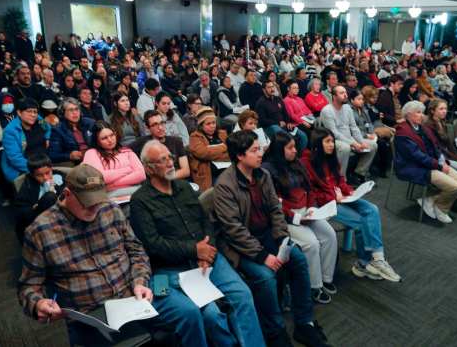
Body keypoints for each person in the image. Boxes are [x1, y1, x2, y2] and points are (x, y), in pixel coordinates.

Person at [129, 140, 265, 347]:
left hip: (206, 258)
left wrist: (207, 249)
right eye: (162, 160)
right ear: (149, 168)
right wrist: (195, 250)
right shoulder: (140, 200)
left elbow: (205, 221)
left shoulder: (184, 187)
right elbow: (153, 244)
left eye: (170, 157)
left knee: (242, 295)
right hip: (169, 269)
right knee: (208, 313)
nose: (170, 163)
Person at [213, 130, 331, 347]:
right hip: (242, 247)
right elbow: (234, 230)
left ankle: (304, 323)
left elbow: (276, 211)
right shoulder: (224, 185)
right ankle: (275, 331)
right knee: (266, 277)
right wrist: (262, 256)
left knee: (298, 260)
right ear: (240, 155)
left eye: (260, 149)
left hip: (267, 236)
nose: (260, 154)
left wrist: (281, 241)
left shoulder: (262, 175)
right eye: (254, 150)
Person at [17, 164, 153, 346]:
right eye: (87, 202)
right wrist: (38, 304)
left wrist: (140, 281)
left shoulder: (109, 209)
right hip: (89, 315)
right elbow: (28, 286)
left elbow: (136, 250)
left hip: (131, 300)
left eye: (98, 200)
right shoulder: (40, 231)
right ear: (67, 193)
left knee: (174, 329)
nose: (94, 208)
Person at [301, 128, 401, 282]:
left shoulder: (331, 158)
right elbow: (311, 192)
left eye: (332, 141)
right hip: (325, 204)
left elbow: (340, 179)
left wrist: (350, 192)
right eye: (327, 142)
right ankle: (363, 263)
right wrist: (334, 197)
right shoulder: (307, 163)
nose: (331, 145)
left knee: (372, 209)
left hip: (340, 197)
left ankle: (377, 258)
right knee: (362, 222)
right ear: (317, 144)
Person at [262, 132, 338, 304]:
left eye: (295, 146)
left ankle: (326, 278)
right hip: (288, 217)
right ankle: (314, 286)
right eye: (290, 148)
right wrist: (297, 218)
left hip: (307, 211)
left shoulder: (296, 163)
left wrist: (311, 208)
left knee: (329, 235)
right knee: (311, 243)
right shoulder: (268, 170)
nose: (295, 151)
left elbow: (309, 189)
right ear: (279, 150)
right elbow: (275, 204)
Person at [394, 101, 457, 223]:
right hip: (415, 167)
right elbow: (417, 157)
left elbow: (436, 147)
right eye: (418, 113)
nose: (422, 115)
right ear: (408, 115)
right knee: (454, 187)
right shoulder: (403, 132)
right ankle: (441, 208)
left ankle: (430, 200)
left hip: (432, 163)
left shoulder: (422, 128)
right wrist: (438, 165)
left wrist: (442, 161)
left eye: (422, 112)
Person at [320, 85, 378, 182]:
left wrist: (360, 141)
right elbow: (334, 133)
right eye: (342, 93)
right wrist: (353, 143)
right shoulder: (327, 111)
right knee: (345, 148)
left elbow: (354, 127)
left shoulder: (347, 108)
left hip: (349, 138)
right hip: (334, 140)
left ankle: (359, 173)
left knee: (372, 145)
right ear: (334, 96)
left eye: (345, 93)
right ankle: (341, 179)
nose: (345, 95)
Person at [82, 121, 145, 196]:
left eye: (112, 135)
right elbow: (99, 178)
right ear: (97, 141)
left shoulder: (126, 151)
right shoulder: (92, 153)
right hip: (110, 196)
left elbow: (141, 175)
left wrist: (112, 184)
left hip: (135, 191)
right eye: (104, 138)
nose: (110, 140)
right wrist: (127, 169)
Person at [13, 153, 64, 241]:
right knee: (50, 196)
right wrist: (35, 207)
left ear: (52, 169)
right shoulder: (28, 186)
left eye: (48, 173)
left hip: (60, 217)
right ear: (33, 175)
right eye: (39, 175)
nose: (45, 178)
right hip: (38, 219)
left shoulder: (60, 179)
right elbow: (21, 210)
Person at [1, 98, 51, 182]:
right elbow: (15, 159)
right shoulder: (10, 131)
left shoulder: (39, 120)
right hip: (24, 168)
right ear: (19, 113)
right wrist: (38, 169)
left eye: (35, 112)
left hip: (43, 163)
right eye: (29, 111)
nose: (33, 115)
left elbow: (47, 127)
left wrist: (47, 137)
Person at [132, 110, 190, 180]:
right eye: (154, 125)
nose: (160, 128)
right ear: (148, 128)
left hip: (177, 181)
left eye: (162, 123)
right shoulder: (142, 143)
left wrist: (165, 178)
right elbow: (124, 151)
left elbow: (186, 171)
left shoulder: (176, 141)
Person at [255, 79, 308, 152]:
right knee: (284, 135)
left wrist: (288, 122)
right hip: (270, 127)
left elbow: (285, 113)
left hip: (284, 124)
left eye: (272, 87)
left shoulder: (278, 99)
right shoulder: (260, 103)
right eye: (269, 87)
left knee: (303, 136)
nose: (272, 89)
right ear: (264, 90)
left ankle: (297, 154)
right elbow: (262, 120)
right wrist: (277, 122)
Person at [188, 107, 230, 191]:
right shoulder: (195, 137)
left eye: (213, 123)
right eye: (208, 124)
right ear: (201, 125)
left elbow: (231, 152)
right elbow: (203, 153)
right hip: (209, 173)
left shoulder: (222, 133)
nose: (212, 126)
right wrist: (224, 147)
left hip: (228, 169)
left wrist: (212, 153)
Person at [48, 97, 94, 165]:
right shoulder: (58, 130)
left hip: (94, 157)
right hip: (77, 163)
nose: (75, 113)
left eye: (76, 109)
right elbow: (53, 155)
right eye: (70, 110)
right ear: (63, 113)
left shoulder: (90, 123)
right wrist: (69, 156)